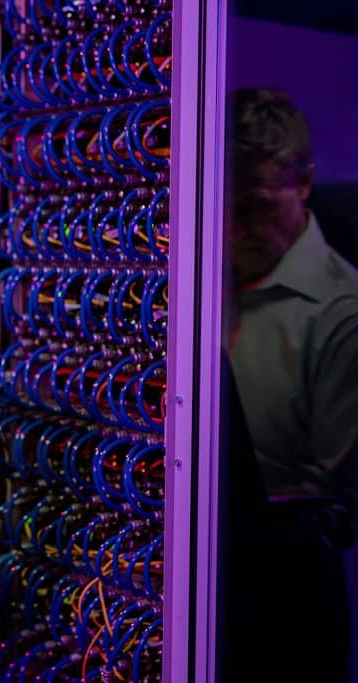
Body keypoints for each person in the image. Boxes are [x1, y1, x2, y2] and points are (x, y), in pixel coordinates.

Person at [226, 87, 358, 682]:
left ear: (303, 184)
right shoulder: (201, 279)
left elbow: (331, 507)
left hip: (287, 608)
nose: (233, 229)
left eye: (254, 207)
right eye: (222, 206)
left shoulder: (340, 313)